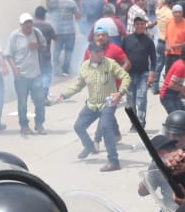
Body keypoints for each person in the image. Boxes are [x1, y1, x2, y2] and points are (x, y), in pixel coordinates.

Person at [54, 40, 131, 173]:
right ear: (90, 53)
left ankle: (113, 161)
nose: (100, 54)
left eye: (101, 50)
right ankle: (89, 146)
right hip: (92, 103)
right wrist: (63, 95)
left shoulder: (110, 63)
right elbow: (78, 85)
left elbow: (126, 77)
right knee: (78, 126)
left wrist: (120, 92)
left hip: (108, 102)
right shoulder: (84, 66)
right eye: (96, 51)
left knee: (106, 127)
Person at [7, 12, 49, 136]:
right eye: (26, 23)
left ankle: (39, 124)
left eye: (30, 22)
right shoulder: (15, 36)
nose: (28, 25)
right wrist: (14, 68)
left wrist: (38, 46)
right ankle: (24, 126)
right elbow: (9, 54)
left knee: (40, 101)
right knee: (22, 103)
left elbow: (44, 45)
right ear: (21, 24)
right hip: (21, 75)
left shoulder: (36, 32)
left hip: (36, 74)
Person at [119, 15, 157, 129]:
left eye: (142, 24)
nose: (140, 26)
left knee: (141, 99)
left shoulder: (149, 41)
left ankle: (141, 122)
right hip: (129, 75)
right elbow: (121, 56)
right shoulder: (126, 40)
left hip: (143, 74)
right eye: (138, 24)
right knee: (130, 101)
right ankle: (134, 123)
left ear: (145, 26)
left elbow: (153, 58)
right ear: (134, 25)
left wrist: (151, 74)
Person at [159, 42, 185, 115]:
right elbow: (171, 85)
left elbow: (177, 83)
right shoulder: (181, 67)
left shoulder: (183, 65)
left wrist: (181, 92)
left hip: (173, 95)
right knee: (178, 118)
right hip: (167, 96)